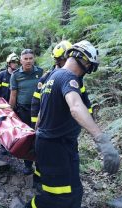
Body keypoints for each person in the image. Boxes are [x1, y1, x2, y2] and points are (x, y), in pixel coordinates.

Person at [25, 40, 120, 208]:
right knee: (59, 197)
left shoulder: (53, 76)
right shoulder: (68, 78)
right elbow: (76, 107)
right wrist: (102, 140)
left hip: (62, 145)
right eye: (90, 68)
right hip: (53, 147)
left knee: (75, 193)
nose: (88, 72)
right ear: (83, 61)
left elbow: (44, 111)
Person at [31, 40, 93, 188]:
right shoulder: (48, 77)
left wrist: (88, 119)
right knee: (46, 164)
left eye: (63, 59)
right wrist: (35, 127)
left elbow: (84, 100)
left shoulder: (76, 78)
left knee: (65, 167)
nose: (62, 62)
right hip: (50, 132)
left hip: (66, 132)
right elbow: (36, 103)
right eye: (59, 60)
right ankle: (40, 183)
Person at [9, 49, 43, 175]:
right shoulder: (16, 75)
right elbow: (13, 95)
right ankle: (28, 165)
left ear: (33, 59)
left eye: (30, 58)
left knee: (40, 135)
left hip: (39, 110)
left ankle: (40, 163)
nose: (28, 61)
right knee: (27, 138)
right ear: (21, 60)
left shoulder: (40, 72)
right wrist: (10, 113)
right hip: (23, 110)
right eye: (25, 59)